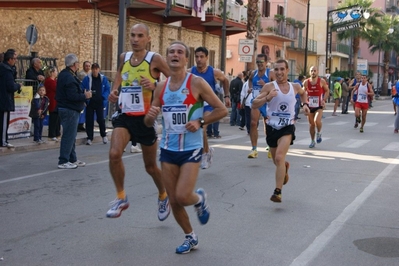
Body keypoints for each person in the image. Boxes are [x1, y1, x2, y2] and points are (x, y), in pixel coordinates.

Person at [144, 41, 228, 254]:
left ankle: (199, 199)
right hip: (168, 149)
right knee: (173, 200)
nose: (175, 55)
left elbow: (222, 110)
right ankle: (190, 237)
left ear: (186, 59)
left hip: (191, 148)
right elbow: (148, 121)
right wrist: (149, 117)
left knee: (182, 195)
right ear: (167, 57)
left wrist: (200, 122)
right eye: (171, 51)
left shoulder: (196, 83)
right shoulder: (161, 87)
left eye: (179, 52)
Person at [106, 23, 171, 220]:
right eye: (133, 35)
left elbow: (175, 79)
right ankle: (121, 197)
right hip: (125, 116)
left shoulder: (155, 59)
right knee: (115, 153)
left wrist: (155, 84)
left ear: (148, 39)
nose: (135, 39)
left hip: (146, 119)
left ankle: (163, 195)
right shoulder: (124, 57)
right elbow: (119, 74)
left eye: (140, 36)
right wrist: (115, 89)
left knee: (150, 167)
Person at [252, 59, 310, 203]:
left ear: (287, 70)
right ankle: (284, 168)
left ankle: (277, 192)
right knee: (277, 162)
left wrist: (305, 104)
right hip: (272, 127)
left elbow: (303, 93)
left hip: (287, 127)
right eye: (276, 70)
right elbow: (254, 104)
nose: (279, 72)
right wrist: (267, 97)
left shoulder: (295, 86)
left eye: (282, 69)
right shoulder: (268, 86)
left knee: (278, 157)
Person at [189, 46, 230, 169]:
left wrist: (226, 96)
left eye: (202, 57)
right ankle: (206, 150)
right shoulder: (190, 72)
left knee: (202, 127)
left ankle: (205, 154)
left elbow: (226, 80)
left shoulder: (213, 72)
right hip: (196, 106)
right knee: (196, 129)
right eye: (196, 57)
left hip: (209, 105)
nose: (199, 59)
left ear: (207, 58)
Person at [56, 53, 92, 169]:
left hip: (69, 108)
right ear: (74, 64)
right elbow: (72, 96)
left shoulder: (67, 75)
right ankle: (63, 160)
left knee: (71, 135)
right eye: (77, 63)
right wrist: (85, 96)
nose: (78, 65)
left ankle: (72, 158)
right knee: (68, 135)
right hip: (69, 109)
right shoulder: (68, 77)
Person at [247, 54, 275, 158]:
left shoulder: (270, 73)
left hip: (268, 102)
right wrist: (250, 88)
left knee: (268, 124)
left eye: (261, 62)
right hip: (256, 102)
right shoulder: (253, 73)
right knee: (253, 123)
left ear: (266, 62)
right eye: (257, 62)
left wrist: (265, 86)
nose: (259, 64)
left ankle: (270, 146)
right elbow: (250, 80)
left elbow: (276, 86)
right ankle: (254, 149)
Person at [81, 63, 110, 145]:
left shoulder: (103, 79)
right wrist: (86, 95)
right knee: (89, 120)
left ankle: (103, 135)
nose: (94, 70)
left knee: (101, 119)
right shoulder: (87, 78)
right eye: (93, 69)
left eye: (96, 69)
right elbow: (82, 87)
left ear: (99, 69)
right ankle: (89, 137)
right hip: (90, 102)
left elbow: (107, 89)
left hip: (99, 102)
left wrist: (103, 97)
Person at [303, 66, 329, 148]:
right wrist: (304, 103)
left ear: (317, 72)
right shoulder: (306, 82)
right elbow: (302, 92)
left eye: (314, 71)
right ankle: (312, 141)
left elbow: (327, 90)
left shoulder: (321, 81)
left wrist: (324, 100)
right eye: (311, 71)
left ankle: (319, 133)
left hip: (319, 105)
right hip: (310, 105)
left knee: (316, 121)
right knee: (311, 125)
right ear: (309, 72)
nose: (313, 72)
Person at [0, 49, 21, 148]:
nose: (15, 61)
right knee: (4, 122)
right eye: (15, 59)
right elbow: (10, 86)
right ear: (10, 59)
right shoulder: (6, 70)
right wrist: (18, 86)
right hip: (4, 100)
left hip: (3, 98)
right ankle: (3, 141)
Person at [44, 66, 61, 141]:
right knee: (53, 118)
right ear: (52, 73)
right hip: (52, 101)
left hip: (56, 101)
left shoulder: (55, 81)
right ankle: (52, 134)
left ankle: (57, 133)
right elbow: (57, 89)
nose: (57, 73)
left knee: (57, 118)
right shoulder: (49, 81)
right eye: (56, 71)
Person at [77, 61, 91, 132]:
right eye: (86, 66)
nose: (88, 67)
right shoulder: (81, 74)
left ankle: (81, 124)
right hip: (82, 93)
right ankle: (79, 125)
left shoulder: (89, 74)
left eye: (89, 66)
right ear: (83, 66)